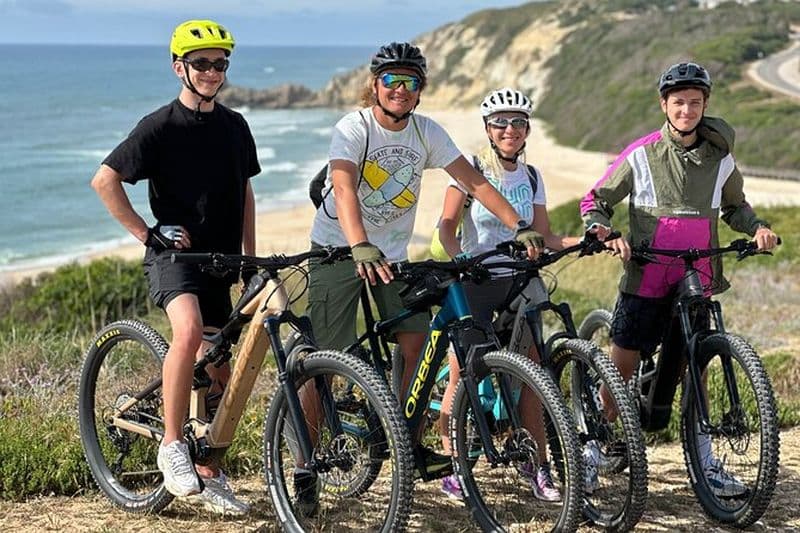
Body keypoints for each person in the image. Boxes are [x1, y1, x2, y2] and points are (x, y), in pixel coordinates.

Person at [303, 42, 543, 509]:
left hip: (390, 256)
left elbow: (475, 181)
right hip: (338, 250)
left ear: (420, 90)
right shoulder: (354, 128)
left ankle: (403, 440)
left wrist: (520, 225)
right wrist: (357, 243)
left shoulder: (426, 132)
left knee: (418, 346)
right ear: (375, 85)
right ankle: (307, 464)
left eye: (410, 81)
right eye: (391, 80)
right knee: (325, 360)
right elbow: (346, 186)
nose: (400, 89)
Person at [581, 61, 779, 497]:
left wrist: (757, 227)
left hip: (699, 274)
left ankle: (706, 462)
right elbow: (596, 199)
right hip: (649, 272)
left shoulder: (721, 159)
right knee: (623, 363)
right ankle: (594, 443)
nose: (686, 110)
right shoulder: (642, 154)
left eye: (694, 102)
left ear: (705, 105)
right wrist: (603, 229)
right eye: (678, 102)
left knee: (698, 367)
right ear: (664, 105)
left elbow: (736, 208)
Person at [90, 19, 260, 515]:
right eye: (202, 63)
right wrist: (147, 233)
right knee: (187, 333)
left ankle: (209, 471)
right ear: (178, 67)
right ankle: (171, 445)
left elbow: (246, 191)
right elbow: (104, 181)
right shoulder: (159, 126)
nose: (213, 72)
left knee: (224, 372)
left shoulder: (235, 126)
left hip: (221, 262)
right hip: (173, 260)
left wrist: (250, 258)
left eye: (220, 63)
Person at [435, 88, 580, 501]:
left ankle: (537, 467)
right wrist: (461, 258)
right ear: (487, 128)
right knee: (464, 372)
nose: (510, 129)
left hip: (519, 282)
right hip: (477, 283)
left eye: (518, 122)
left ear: (528, 129)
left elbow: (546, 235)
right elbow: (446, 227)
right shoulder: (472, 171)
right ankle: (454, 467)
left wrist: (587, 240)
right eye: (500, 122)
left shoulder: (532, 177)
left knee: (533, 375)